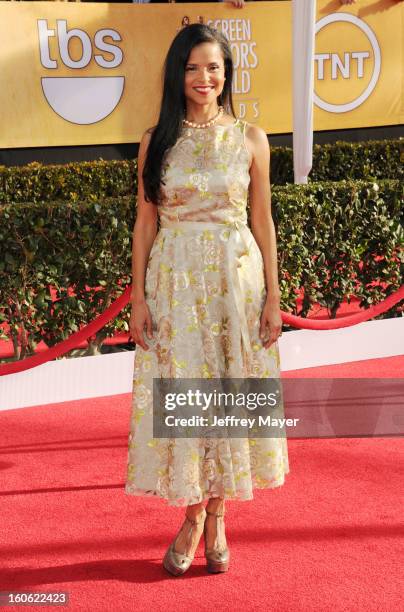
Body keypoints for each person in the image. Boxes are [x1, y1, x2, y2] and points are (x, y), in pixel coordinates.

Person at [125, 23, 289, 576]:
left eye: (213, 66)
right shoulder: (157, 140)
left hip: (234, 282)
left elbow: (262, 220)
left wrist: (273, 295)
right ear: (178, 74)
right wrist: (138, 297)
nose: (204, 77)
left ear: (227, 73)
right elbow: (145, 223)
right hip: (174, 282)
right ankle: (192, 514)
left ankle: (218, 514)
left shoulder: (251, 138)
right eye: (193, 67)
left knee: (230, 394)